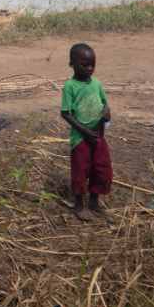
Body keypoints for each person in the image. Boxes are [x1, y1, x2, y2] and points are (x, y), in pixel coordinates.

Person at [60, 43, 112, 221]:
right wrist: (85, 131)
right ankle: (79, 205)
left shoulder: (96, 83)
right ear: (72, 64)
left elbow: (105, 104)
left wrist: (106, 114)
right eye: (84, 64)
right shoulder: (70, 86)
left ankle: (94, 202)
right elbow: (65, 113)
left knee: (101, 168)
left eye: (92, 65)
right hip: (81, 138)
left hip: (98, 135)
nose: (90, 68)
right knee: (80, 170)